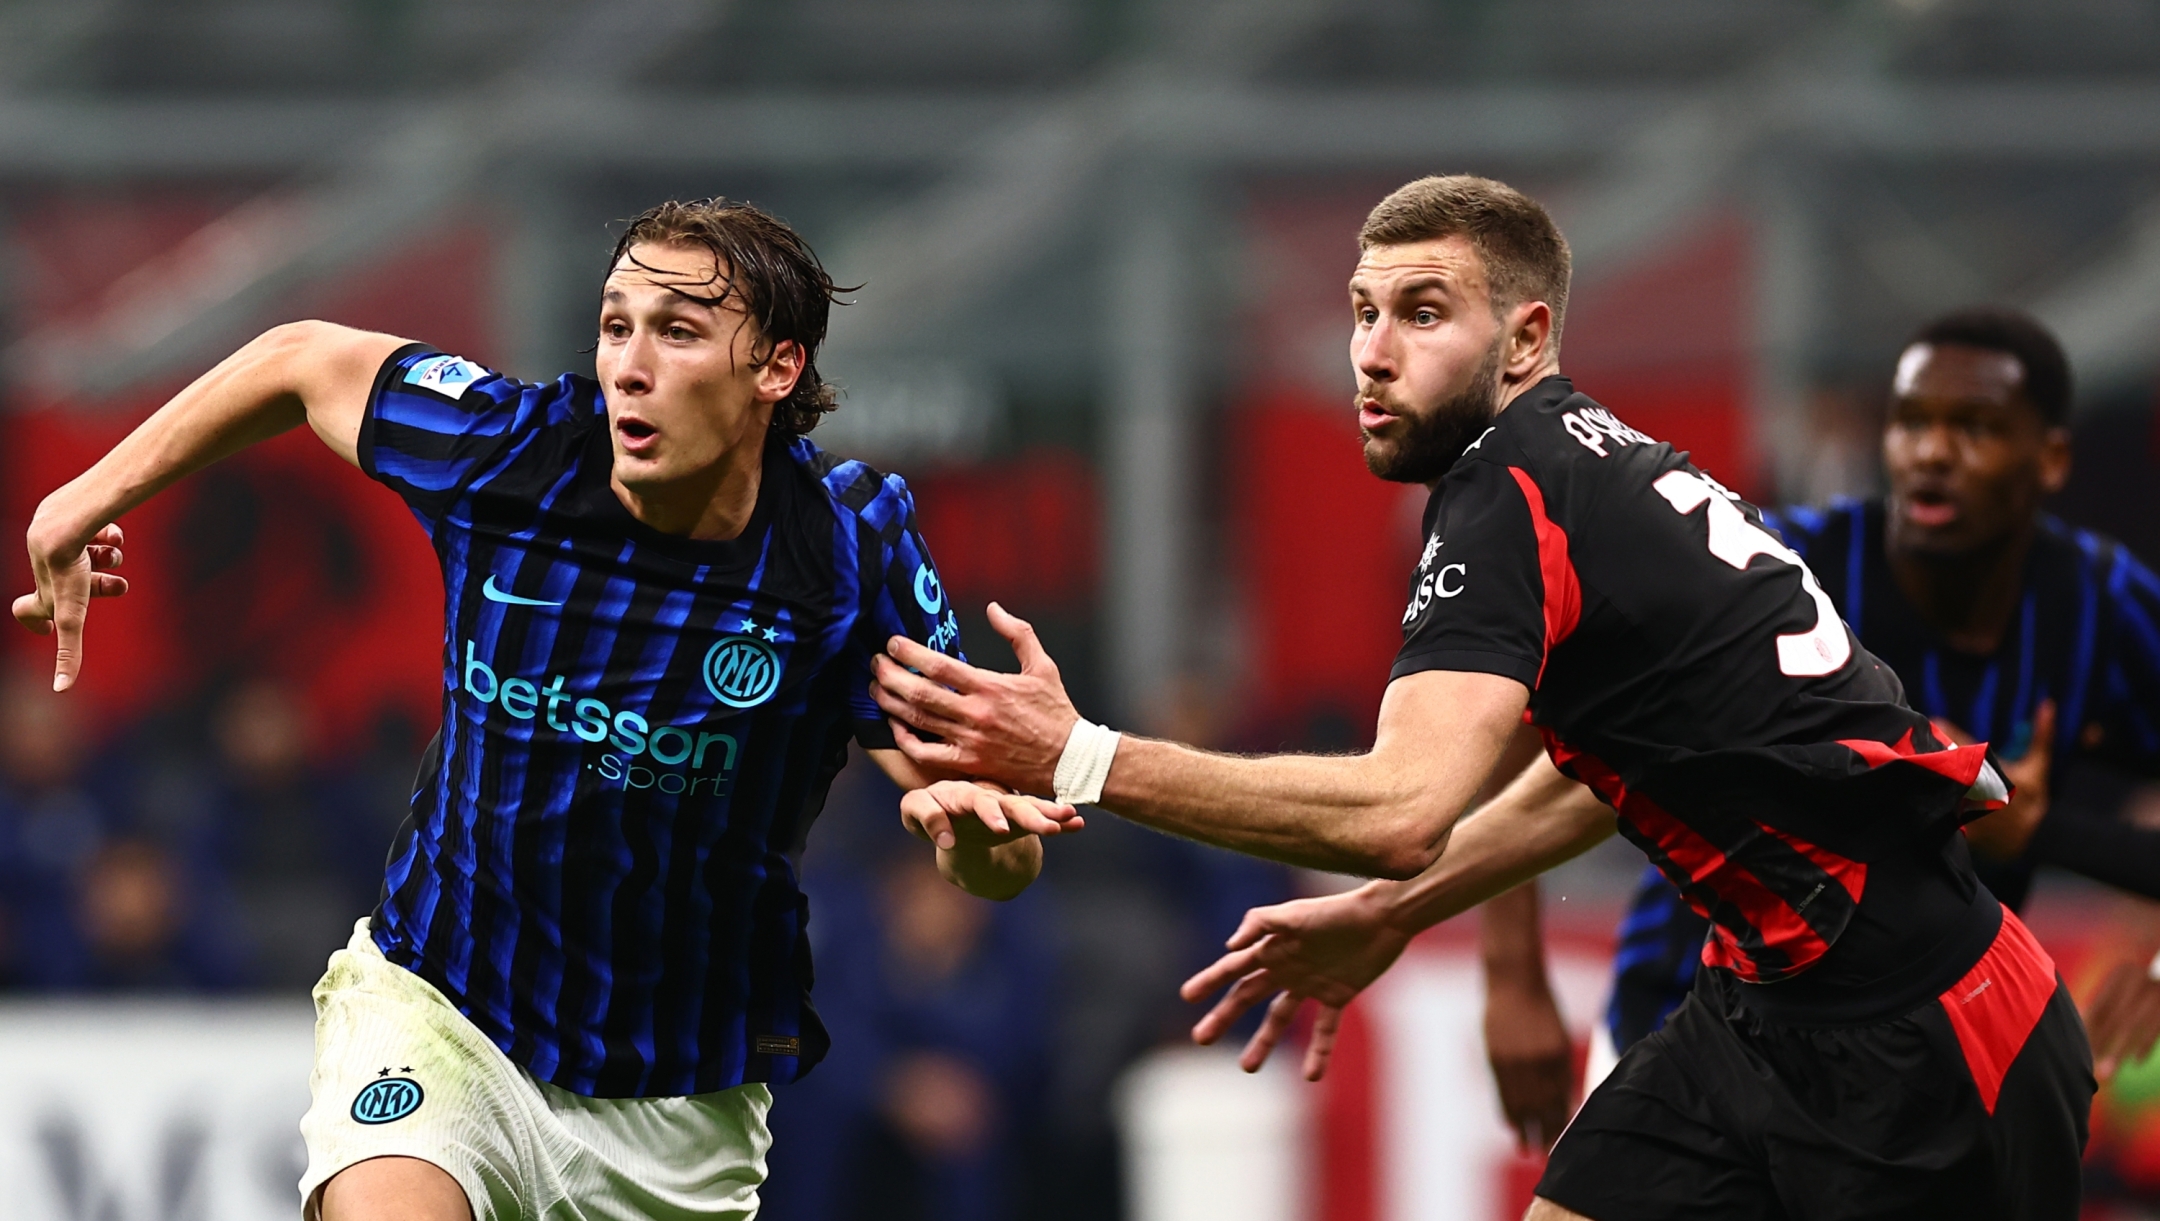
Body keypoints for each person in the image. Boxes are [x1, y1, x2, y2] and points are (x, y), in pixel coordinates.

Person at [871, 175, 2092, 1219]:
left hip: (1926, 1037)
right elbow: (1608, 767)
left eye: (1422, 312)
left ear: (1524, 339)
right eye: (1359, 314)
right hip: (1762, 1010)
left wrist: (1076, 754)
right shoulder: (1589, 463)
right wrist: (1407, 916)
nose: (1373, 350)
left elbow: (1400, 808)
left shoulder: (1512, 489)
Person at [13, 198, 1075, 1221]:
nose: (629, 363)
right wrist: (83, 498)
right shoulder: (510, 451)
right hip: (446, 1010)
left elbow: (984, 831)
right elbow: (297, 357)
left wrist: (980, 842)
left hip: (673, 1107)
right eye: (616, 326)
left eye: (678, 331)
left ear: (776, 367)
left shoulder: (847, 552)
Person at [1479, 305, 2160, 1152]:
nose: (1932, 452)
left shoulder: (2100, 606)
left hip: (1924, 1066)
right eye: (1912, 421)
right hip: (1685, 1027)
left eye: (1976, 427)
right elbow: (1538, 674)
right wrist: (1511, 974)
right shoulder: (1783, 565)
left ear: (2051, 457)